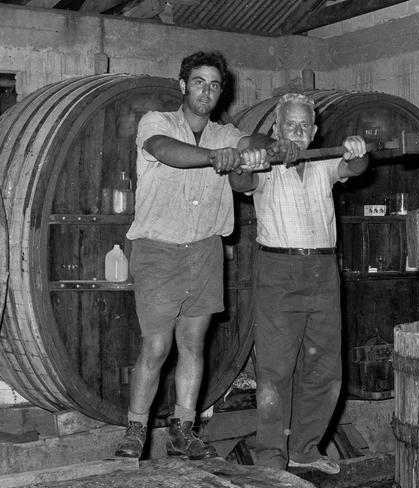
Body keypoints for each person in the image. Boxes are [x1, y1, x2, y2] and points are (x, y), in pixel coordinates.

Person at [114, 51, 273, 460]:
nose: (207, 90)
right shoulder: (157, 122)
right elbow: (166, 150)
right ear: (183, 86)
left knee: (193, 344)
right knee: (155, 346)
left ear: (222, 92)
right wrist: (212, 158)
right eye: (199, 82)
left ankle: (183, 429)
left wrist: (260, 150)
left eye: (215, 84)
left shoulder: (226, 133)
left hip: (205, 249)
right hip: (158, 250)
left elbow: (247, 165)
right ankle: (136, 429)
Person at [229, 92, 368, 474]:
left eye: (304, 125)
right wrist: (248, 160)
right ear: (276, 128)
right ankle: (272, 457)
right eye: (290, 124)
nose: (297, 131)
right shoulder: (266, 163)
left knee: (325, 369)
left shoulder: (323, 161)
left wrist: (358, 151)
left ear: (315, 131)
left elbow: (356, 168)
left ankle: (306, 449)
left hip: (324, 272)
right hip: (278, 270)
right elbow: (240, 180)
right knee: (275, 369)